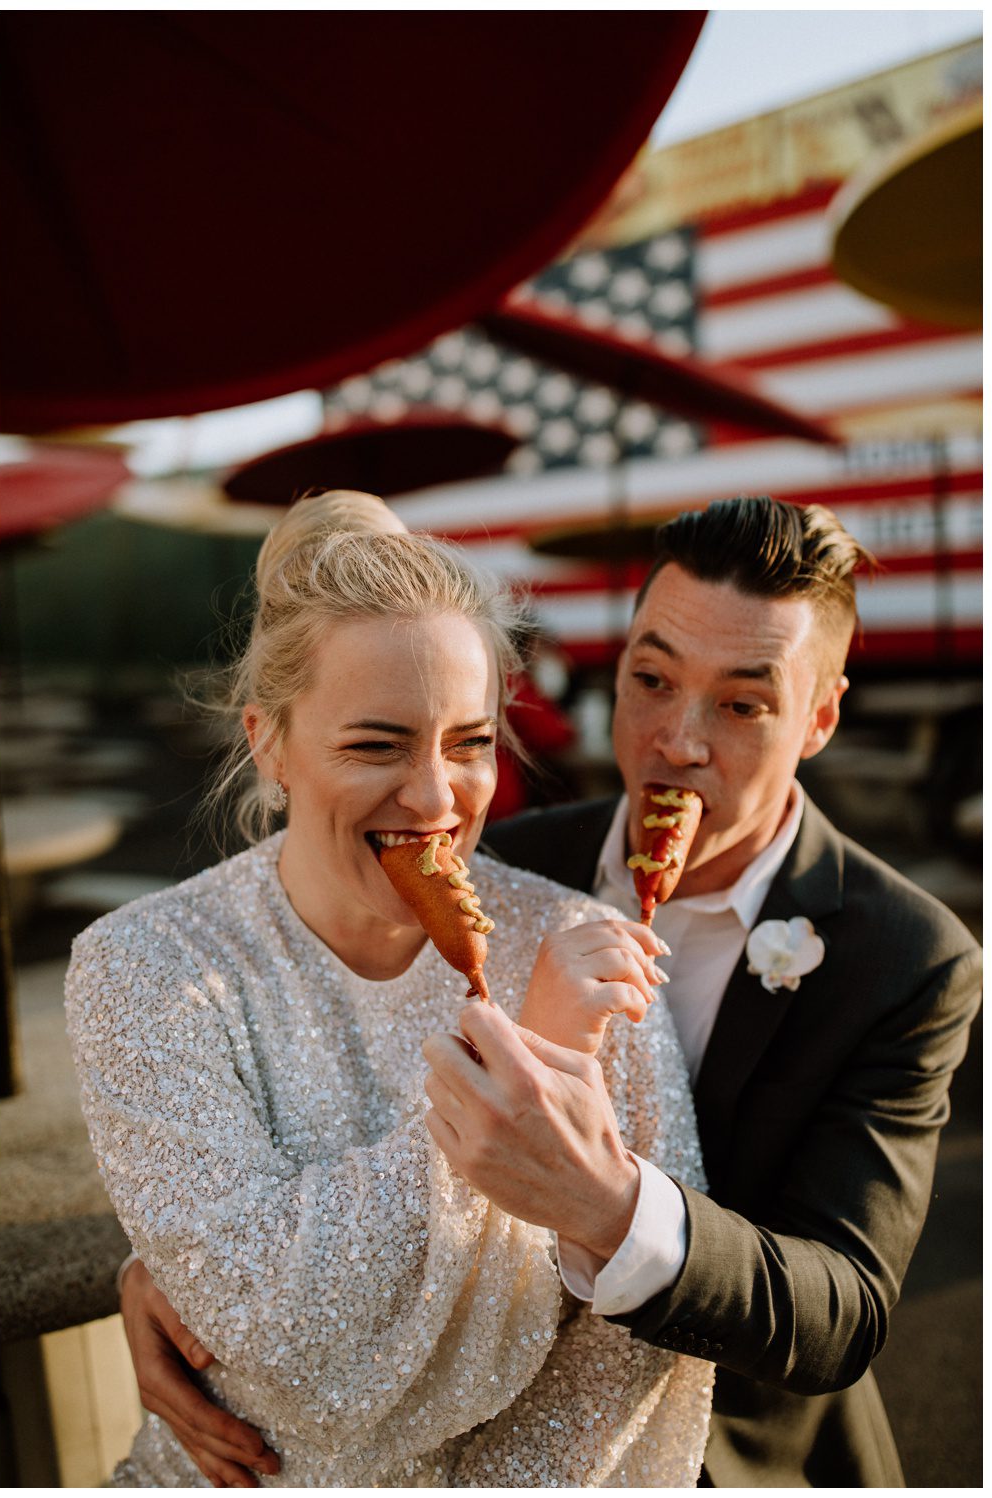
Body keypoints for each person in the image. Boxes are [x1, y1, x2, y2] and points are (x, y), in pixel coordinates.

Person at [118, 496, 982, 1486]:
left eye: (741, 704)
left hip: (729, 1451)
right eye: (649, 681)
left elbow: (844, 1309)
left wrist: (611, 1210)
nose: (676, 741)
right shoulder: (501, 867)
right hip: (472, 1438)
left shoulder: (908, 956)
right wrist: (170, 1258)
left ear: (819, 716)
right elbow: (323, 1072)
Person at [66, 491, 713, 1485]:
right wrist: (529, 1070)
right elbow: (265, 1332)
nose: (432, 798)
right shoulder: (142, 967)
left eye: (468, 742)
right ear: (267, 741)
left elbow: (632, 1360)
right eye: (374, 744)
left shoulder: (577, 948)